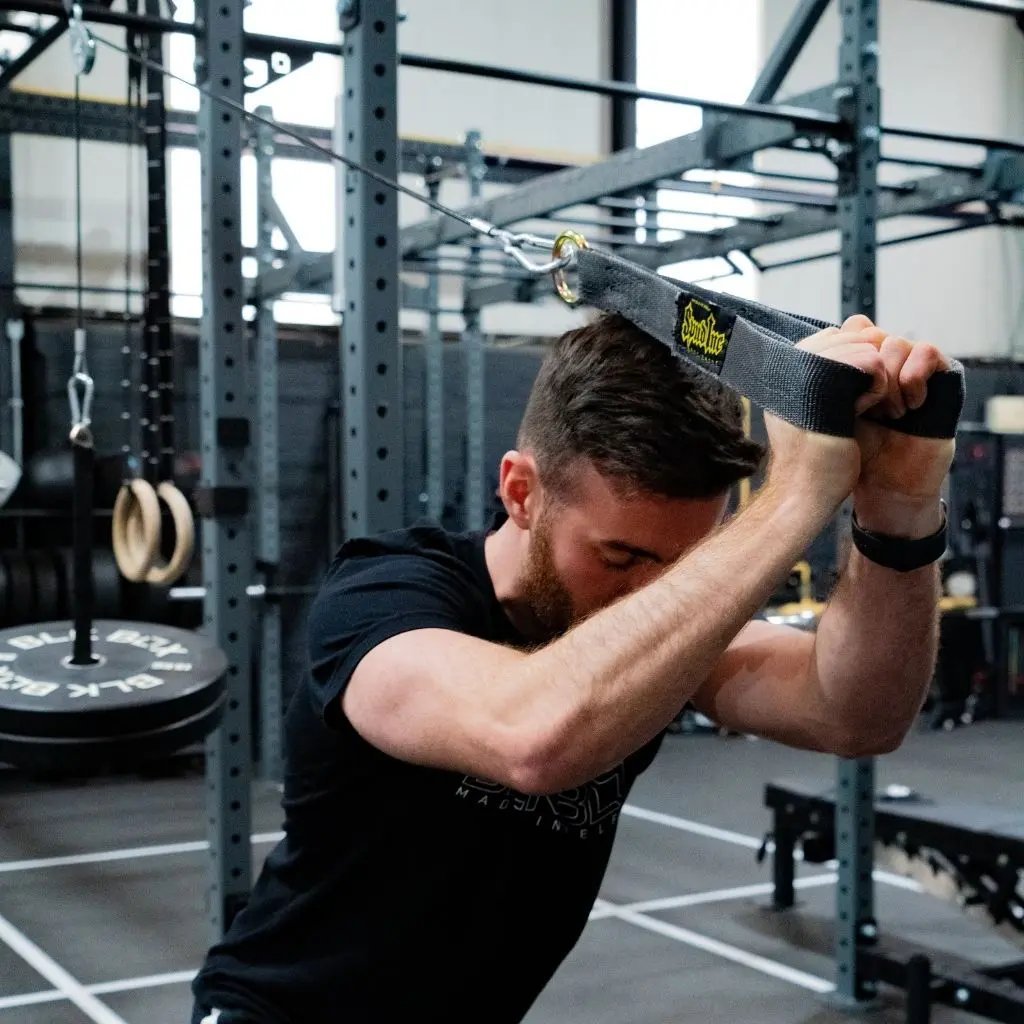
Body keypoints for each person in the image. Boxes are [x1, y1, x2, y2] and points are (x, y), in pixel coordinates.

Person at [191, 311, 953, 1024]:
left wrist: (901, 517)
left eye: (684, 566)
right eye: (620, 556)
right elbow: (533, 736)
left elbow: (855, 714)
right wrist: (792, 500)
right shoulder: (383, 596)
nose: (652, 595)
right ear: (521, 492)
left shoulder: (649, 631)